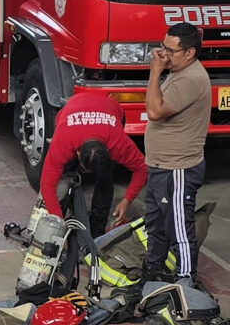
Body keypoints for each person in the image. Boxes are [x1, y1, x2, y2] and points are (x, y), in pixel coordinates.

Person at [139, 23, 212, 285]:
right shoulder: (179, 72)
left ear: (189, 53)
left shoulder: (190, 79)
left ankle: (185, 280)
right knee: (156, 223)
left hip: (177, 168)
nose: (163, 55)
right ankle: (153, 270)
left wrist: (155, 71)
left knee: (178, 228)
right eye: (163, 47)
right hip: (161, 165)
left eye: (170, 51)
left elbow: (155, 111)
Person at [41, 90, 146, 227]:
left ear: (108, 151)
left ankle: (98, 225)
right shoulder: (63, 141)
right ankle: (67, 207)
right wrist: (57, 223)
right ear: (77, 152)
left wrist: (127, 200)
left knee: (105, 177)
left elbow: (142, 168)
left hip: (110, 107)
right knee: (64, 172)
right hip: (74, 105)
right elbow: (47, 185)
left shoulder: (117, 142)